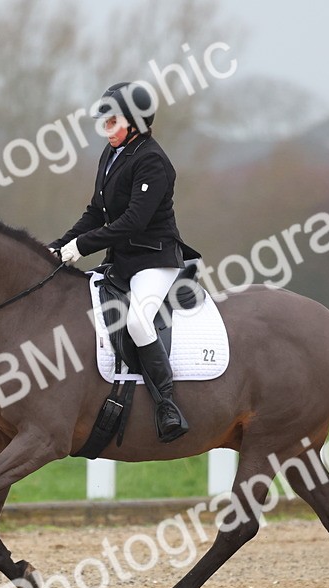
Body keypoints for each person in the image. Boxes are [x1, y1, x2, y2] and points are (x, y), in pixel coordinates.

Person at [48, 82, 199, 443]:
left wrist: (82, 246)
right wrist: (58, 246)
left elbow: (133, 221)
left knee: (137, 321)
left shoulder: (153, 161)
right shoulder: (112, 154)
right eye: (104, 122)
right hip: (122, 261)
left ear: (135, 123)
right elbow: (95, 212)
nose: (106, 129)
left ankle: (166, 404)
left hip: (155, 261)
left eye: (112, 122)